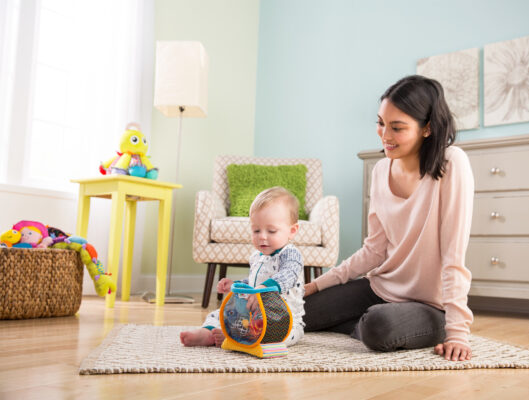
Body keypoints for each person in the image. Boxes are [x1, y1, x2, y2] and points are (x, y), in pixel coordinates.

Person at [303, 75, 474, 362]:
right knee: (298, 309)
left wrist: (457, 332)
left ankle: (381, 325)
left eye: (397, 128)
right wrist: (317, 285)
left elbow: (453, 256)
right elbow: (374, 250)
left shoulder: (452, 163)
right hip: (380, 288)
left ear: (427, 128)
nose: (385, 135)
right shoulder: (381, 170)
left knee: (378, 326)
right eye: (381, 123)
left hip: (430, 305)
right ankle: (362, 324)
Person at [180, 186, 305, 347]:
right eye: (256, 230)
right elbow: (254, 281)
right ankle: (208, 333)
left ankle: (234, 338)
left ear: (292, 231)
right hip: (252, 314)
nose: (262, 237)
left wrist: (262, 289)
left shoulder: (290, 254)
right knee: (218, 314)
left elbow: (287, 276)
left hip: (282, 320)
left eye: (272, 231)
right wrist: (236, 285)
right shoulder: (257, 257)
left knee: (276, 337)